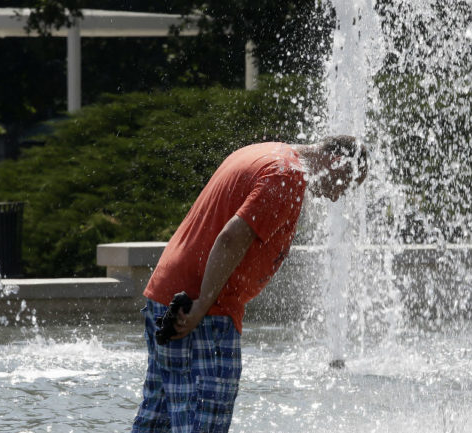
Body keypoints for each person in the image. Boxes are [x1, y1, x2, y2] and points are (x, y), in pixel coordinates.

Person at [131, 135, 368, 433]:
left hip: (167, 294)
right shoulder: (286, 175)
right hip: (202, 311)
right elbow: (231, 237)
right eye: (344, 185)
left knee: (158, 418)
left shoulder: (263, 154)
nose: (337, 197)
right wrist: (202, 304)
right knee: (203, 423)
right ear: (336, 163)